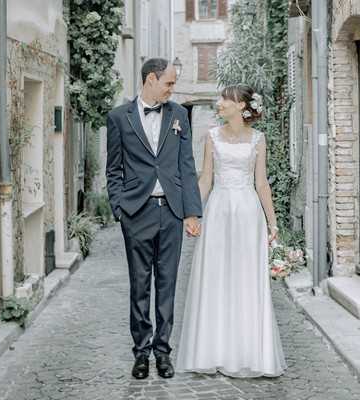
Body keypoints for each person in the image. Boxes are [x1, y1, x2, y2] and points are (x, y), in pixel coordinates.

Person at [176, 84, 287, 377]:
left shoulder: (258, 140)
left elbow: (261, 183)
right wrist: (192, 213)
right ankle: (213, 350)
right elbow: (205, 179)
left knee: (246, 279)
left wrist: (272, 223)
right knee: (216, 277)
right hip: (218, 212)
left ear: (242, 106)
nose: (220, 103)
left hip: (249, 214)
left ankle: (250, 353)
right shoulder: (211, 137)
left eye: (225, 99)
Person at [106, 58, 203, 380]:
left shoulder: (178, 116)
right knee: (139, 287)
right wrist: (119, 208)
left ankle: (163, 352)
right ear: (151, 79)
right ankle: (141, 353)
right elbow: (114, 169)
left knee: (167, 285)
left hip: (172, 212)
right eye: (169, 83)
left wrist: (191, 212)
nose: (172, 89)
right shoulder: (119, 118)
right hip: (137, 212)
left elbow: (187, 166)